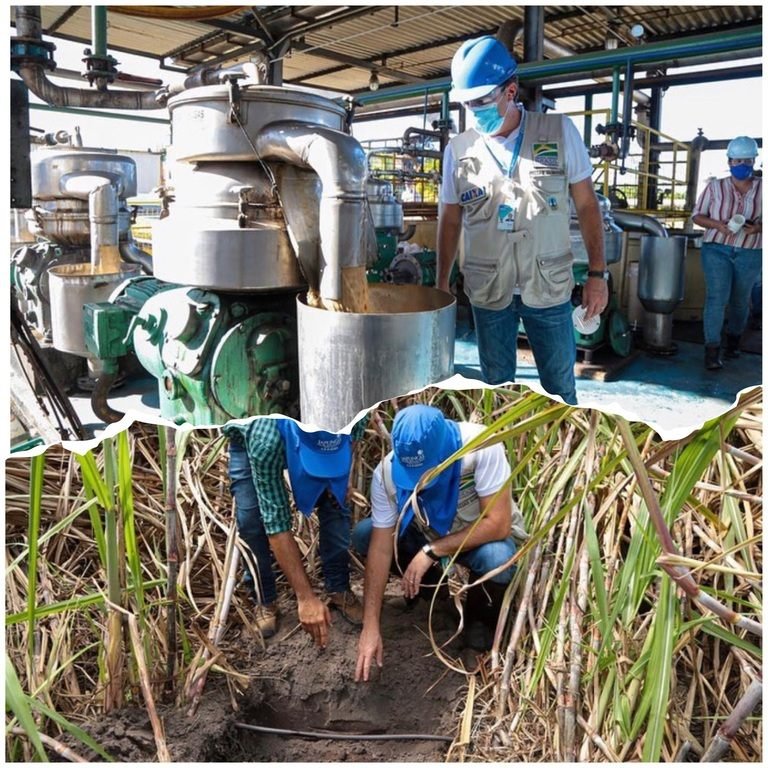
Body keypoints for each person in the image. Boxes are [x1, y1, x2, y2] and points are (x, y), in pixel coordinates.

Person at [437, 35, 608, 405]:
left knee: (560, 391)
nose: (473, 111)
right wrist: (440, 282)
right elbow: (450, 221)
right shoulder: (458, 149)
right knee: (496, 388)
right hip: (488, 288)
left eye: (481, 101)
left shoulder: (560, 133)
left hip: (547, 286)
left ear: (510, 90)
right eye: (466, 104)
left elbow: (588, 206)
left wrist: (597, 275)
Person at [353, 404, 526, 681]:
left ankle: (477, 633)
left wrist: (432, 551)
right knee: (364, 534)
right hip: (429, 533)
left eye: (426, 471)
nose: (420, 481)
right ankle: (434, 596)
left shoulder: (481, 445)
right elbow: (381, 548)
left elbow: (498, 524)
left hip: (479, 538)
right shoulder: (385, 474)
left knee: (498, 557)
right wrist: (370, 625)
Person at [223, 416, 365, 647]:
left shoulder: (354, 407)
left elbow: (354, 436)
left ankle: (339, 589)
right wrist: (305, 598)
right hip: (251, 439)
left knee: (337, 502)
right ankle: (265, 599)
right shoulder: (264, 440)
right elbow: (275, 521)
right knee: (250, 519)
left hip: (322, 444)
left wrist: (342, 475)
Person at [692, 135, 762, 370]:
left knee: (740, 301)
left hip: (751, 251)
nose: (741, 165)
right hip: (716, 249)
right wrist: (718, 225)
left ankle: (733, 341)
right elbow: (698, 216)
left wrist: (759, 228)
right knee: (716, 298)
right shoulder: (715, 187)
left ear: (754, 161)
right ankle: (712, 350)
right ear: (729, 161)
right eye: (736, 161)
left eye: (746, 160)